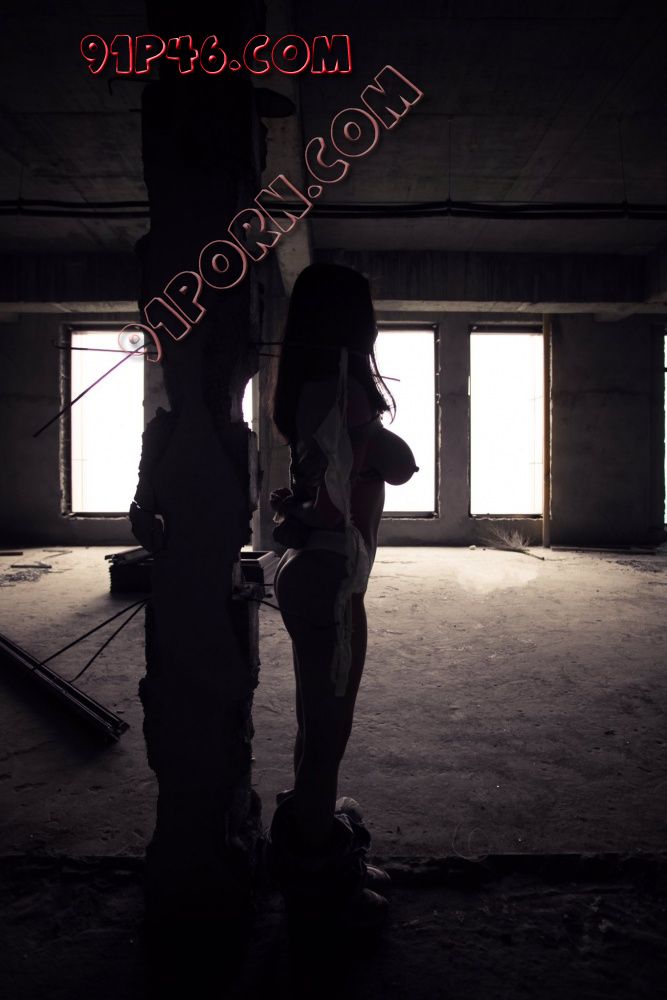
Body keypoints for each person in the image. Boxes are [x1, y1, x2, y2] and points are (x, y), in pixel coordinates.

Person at [267, 262, 418, 923]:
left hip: (313, 571)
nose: (375, 327)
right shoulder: (340, 389)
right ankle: (323, 891)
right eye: (368, 315)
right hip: (330, 581)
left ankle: (320, 844)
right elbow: (398, 466)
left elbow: (319, 494)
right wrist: (372, 433)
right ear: (352, 322)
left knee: (315, 729)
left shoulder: (309, 387)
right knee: (327, 738)